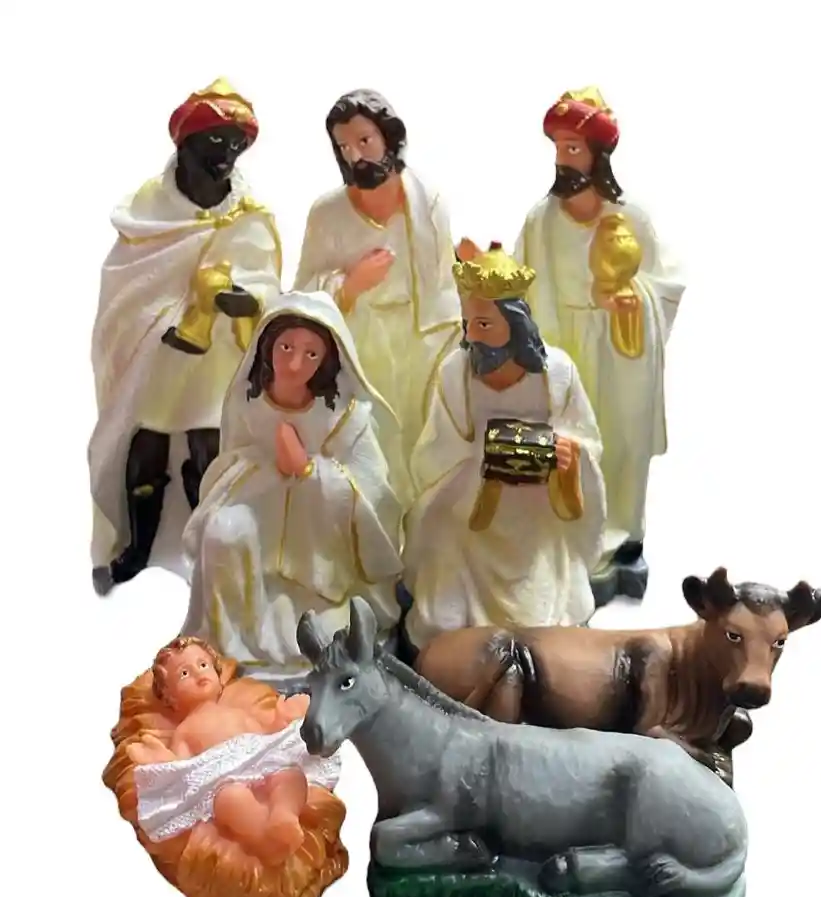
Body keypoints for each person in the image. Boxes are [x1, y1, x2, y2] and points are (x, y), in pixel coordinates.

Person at [89, 78, 282, 596]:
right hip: (161, 349)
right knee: (146, 443)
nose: (226, 155)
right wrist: (164, 320)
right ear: (186, 141)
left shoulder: (249, 214)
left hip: (218, 352)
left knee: (210, 448)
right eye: (215, 140)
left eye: (236, 144)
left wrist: (245, 299)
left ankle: (209, 551)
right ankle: (136, 547)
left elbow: (264, 278)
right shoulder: (149, 211)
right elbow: (130, 288)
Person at [515, 87, 685, 605]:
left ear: (598, 155)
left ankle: (620, 533)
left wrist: (632, 301)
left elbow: (665, 282)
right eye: (559, 149)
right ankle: (565, 530)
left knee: (619, 439)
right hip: (561, 344)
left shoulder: (631, 217)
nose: (564, 160)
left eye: (574, 148)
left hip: (617, 351)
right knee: (566, 438)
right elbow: (521, 282)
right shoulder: (541, 220)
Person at [181, 290, 404, 679]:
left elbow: (374, 492)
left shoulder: (346, 417)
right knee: (222, 532)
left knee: (327, 627)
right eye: (285, 347)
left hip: (322, 553)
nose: (295, 363)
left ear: (327, 360)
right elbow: (228, 464)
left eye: (311, 354)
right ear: (266, 346)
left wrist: (309, 472)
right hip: (257, 524)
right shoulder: (248, 403)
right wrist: (267, 471)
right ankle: (232, 644)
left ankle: (303, 641)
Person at [403, 242, 606, 652]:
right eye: (467, 324)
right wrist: (484, 459)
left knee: (544, 613)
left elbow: (586, 439)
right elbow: (435, 451)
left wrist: (567, 456)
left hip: (538, 509)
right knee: (443, 614)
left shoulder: (557, 373)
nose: (471, 337)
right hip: (473, 507)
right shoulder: (455, 373)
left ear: (516, 322)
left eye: (484, 324)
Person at [293, 89, 461, 480]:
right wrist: (350, 286)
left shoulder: (428, 202)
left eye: (364, 140)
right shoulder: (327, 214)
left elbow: (443, 284)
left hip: (422, 340)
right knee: (371, 438)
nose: (356, 156)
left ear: (389, 136)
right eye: (344, 147)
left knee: (425, 434)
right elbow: (302, 295)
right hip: (361, 340)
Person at [127, 636, 340, 867]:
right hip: (223, 777)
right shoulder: (185, 731)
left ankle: (284, 814)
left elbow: (265, 735)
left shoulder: (238, 712)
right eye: (184, 674)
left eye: (203, 665)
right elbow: (183, 771)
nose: (198, 674)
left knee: (291, 775)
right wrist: (162, 761)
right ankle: (264, 838)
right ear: (170, 696)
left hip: (259, 759)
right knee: (231, 800)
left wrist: (282, 717)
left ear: (218, 674)